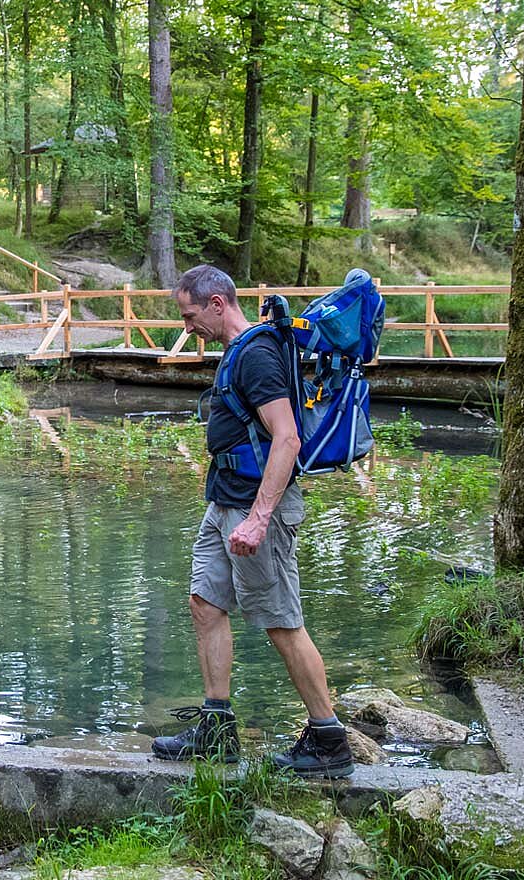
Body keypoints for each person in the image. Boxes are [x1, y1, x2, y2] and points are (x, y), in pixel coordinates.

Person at [151, 264, 354, 779]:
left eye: (190, 315)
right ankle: (217, 731)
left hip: (253, 508)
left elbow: (287, 439)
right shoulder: (238, 350)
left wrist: (260, 518)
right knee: (205, 602)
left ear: (218, 304)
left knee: (281, 621)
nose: (187, 326)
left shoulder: (258, 355)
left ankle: (329, 739)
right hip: (224, 501)